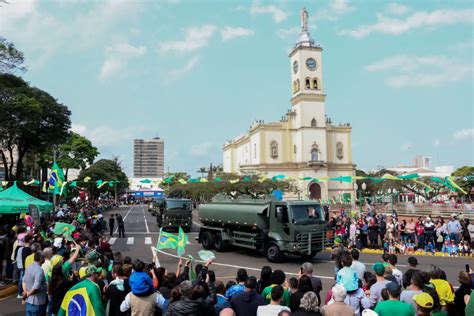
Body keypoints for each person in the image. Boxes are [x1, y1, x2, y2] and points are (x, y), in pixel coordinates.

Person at [22, 251, 47, 316]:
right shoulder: (39, 270)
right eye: (44, 258)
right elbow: (36, 287)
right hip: (38, 302)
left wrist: (25, 292)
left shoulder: (28, 267)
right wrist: (27, 295)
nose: (45, 259)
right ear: (41, 258)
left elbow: (23, 281)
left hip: (29, 301)